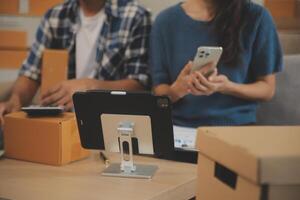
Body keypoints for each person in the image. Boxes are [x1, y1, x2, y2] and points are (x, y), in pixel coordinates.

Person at [0, 0, 151, 128]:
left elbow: (140, 86)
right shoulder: (55, 16)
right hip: (59, 123)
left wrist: (90, 86)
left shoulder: (135, 16)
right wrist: (15, 101)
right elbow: (30, 73)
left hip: (110, 124)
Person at [150, 0, 283, 127]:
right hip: (179, 127)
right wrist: (178, 89)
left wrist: (227, 87)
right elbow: (160, 93)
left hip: (237, 126)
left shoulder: (257, 17)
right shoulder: (165, 22)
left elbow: (267, 90)